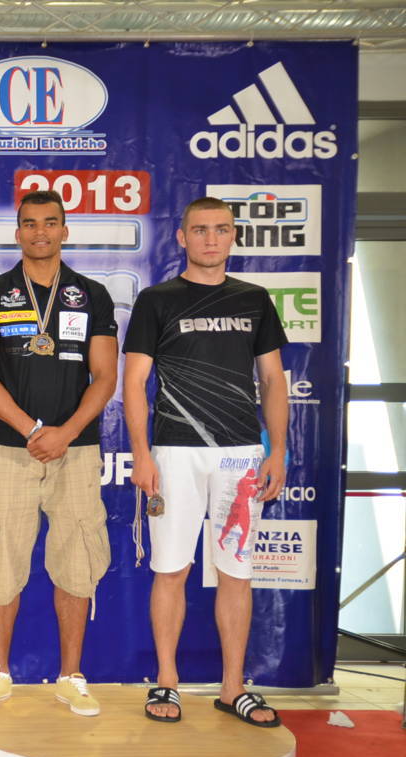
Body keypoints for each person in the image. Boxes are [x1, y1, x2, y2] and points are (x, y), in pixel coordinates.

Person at [123, 196, 288, 727]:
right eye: (200, 230)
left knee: (236, 573)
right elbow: (133, 382)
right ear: (182, 237)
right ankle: (166, 682)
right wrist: (141, 453)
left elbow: (273, 380)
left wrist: (277, 450)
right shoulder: (157, 300)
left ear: (233, 235)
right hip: (175, 453)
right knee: (171, 568)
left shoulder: (254, 299)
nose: (210, 239)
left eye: (220, 229)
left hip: (241, 455)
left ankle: (233, 687)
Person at [0, 189, 118, 715]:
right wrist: (33, 430)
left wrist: (66, 432)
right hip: (13, 449)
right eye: (30, 223)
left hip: (77, 450)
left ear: (64, 230)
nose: (40, 232)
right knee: (2, 557)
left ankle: (71, 675)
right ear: (18, 233)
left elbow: (105, 376)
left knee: (77, 558)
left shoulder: (92, 295)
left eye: (50, 223)